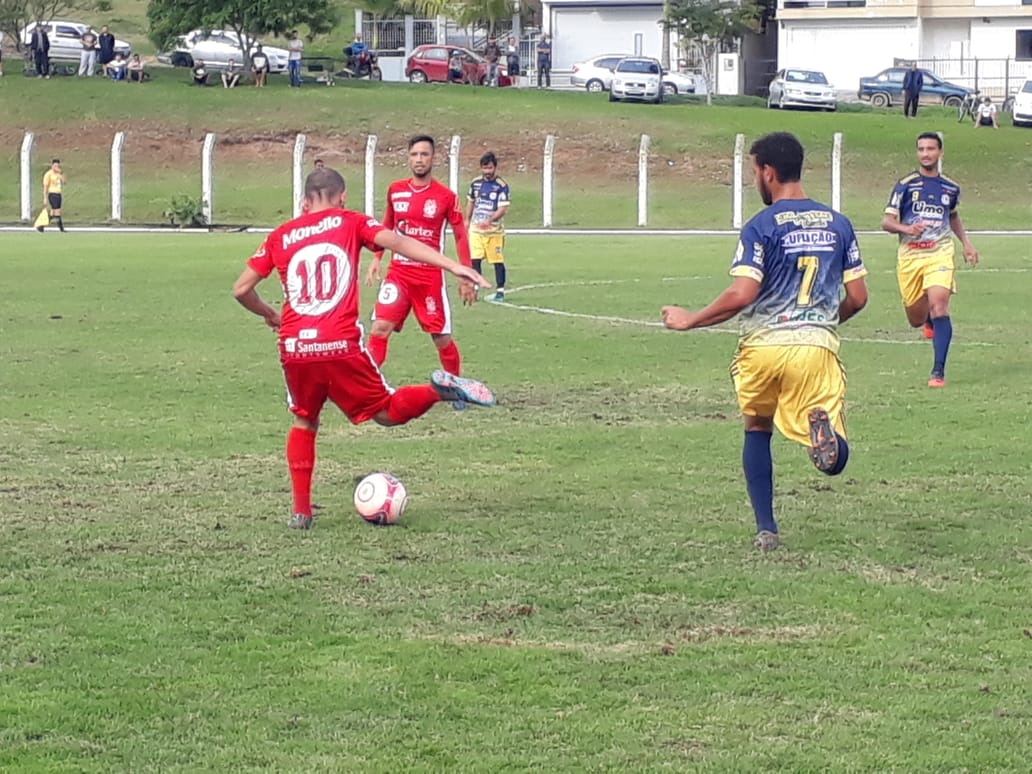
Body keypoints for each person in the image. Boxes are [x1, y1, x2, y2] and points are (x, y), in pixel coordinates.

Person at [231, 166, 495, 531]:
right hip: (340, 343)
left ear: (304, 202)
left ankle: (301, 512)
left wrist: (270, 314)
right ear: (342, 198)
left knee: (305, 419)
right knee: (385, 412)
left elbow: (241, 289)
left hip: (295, 348)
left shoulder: (281, 235)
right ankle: (439, 390)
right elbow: (399, 242)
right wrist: (454, 265)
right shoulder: (350, 221)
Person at [661, 132, 869, 552]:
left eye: (754, 171)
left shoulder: (761, 226)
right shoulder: (838, 223)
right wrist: (823, 324)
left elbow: (742, 294)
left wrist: (691, 320)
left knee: (757, 427)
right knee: (833, 454)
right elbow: (859, 298)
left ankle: (767, 529)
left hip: (763, 348)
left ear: (767, 172)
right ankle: (826, 439)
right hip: (814, 345)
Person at [365, 135, 476, 407]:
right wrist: (377, 257)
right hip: (399, 274)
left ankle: (455, 387)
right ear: (408, 158)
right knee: (379, 328)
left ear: (433, 158)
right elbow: (386, 227)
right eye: (414, 154)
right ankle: (365, 386)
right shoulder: (396, 190)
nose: (419, 159)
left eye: (424, 154)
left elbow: (461, 235)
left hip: (429, 279)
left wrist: (465, 274)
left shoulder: (446, 197)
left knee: (441, 337)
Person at [881, 132, 980, 388]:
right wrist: (906, 229)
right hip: (911, 255)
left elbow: (953, 216)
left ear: (940, 153)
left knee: (939, 305)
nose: (925, 153)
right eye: (921, 149)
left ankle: (938, 372)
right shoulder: (905, 185)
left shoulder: (950, 187)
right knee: (915, 318)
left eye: (931, 149)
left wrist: (966, 244)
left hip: (940, 252)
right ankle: (926, 320)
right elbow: (886, 222)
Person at [465, 152, 510, 301]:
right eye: (485, 168)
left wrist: (489, 220)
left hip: (494, 232)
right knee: (475, 260)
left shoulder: (501, 186)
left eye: (490, 168)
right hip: (476, 230)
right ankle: (476, 287)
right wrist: (467, 220)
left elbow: (503, 209)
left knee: (497, 261)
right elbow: (471, 202)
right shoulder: (475, 183)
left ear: (495, 168)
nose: (487, 172)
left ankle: (500, 291)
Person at [40, 159, 66, 232]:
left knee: (53, 213)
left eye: (58, 166)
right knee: (57, 212)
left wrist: (61, 173)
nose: (56, 167)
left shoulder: (58, 174)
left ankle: (41, 226)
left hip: (58, 194)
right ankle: (61, 228)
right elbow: (45, 186)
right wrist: (45, 197)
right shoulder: (48, 174)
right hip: (52, 194)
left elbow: (64, 182)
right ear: (52, 166)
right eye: (55, 166)